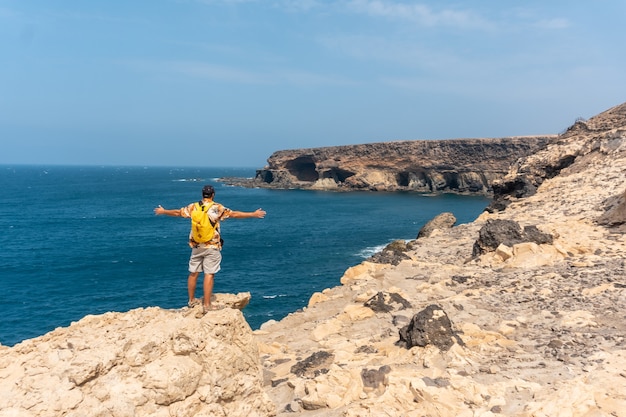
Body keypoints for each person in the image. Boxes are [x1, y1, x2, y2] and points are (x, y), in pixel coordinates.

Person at [154, 185, 266, 314]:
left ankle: (191, 301)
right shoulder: (217, 208)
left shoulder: (193, 207)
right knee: (209, 274)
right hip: (212, 245)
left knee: (193, 273)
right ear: (213, 194)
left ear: (202, 194)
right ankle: (207, 305)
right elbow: (234, 214)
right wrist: (253, 214)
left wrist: (163, 211)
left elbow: (177, 212)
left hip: (196, 245)